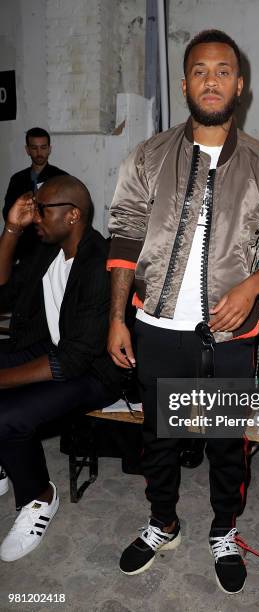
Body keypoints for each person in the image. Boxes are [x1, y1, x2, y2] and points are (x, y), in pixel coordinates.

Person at [107, 29, 259, 594]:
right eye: (200, 70)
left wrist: (252, 287)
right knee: (159, 438)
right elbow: (123, 237)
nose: (211, 80)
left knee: (225, 442)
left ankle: (224, 529)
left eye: (223, 71)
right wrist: (118, 317)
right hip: (157, 326)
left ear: (239, 86)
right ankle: (162, 523)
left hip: (232, 333)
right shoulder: (147, 157)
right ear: (184, 82)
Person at [0, 176, 121, 563]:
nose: (34, 216)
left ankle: (39, 497)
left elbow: (72, 360)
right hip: (54, 346)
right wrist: (12, 229)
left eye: (41, 210)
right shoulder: (46, 250)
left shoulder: (98, 262)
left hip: (95, 372)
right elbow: (3, 289)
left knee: (9, 417)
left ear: (72, 215)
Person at [3, 127, 68, 261]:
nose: (39, 152)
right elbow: (8, 212)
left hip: (50, 246)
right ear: (27, 150)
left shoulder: (60, 178)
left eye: (43, 147)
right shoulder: (17, 179)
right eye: (34, 148)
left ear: (49, 149)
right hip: (23, 244)